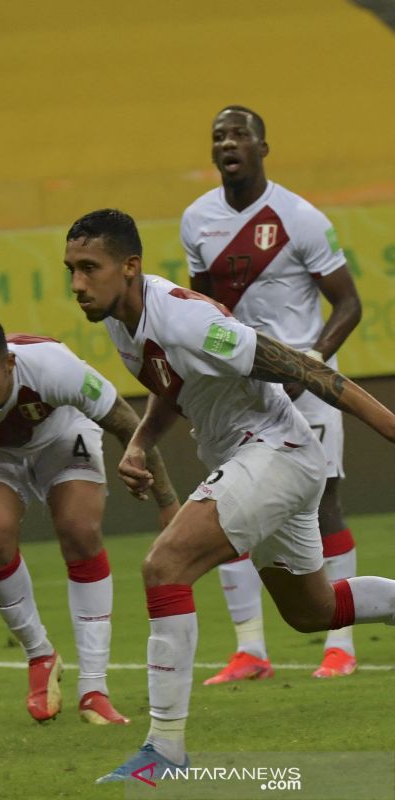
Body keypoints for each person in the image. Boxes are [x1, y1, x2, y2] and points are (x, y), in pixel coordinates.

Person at [63, 208, 395, 783]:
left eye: (89, 268)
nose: (77, 284)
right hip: (255, 458)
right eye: (71, 269)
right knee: (311, 611)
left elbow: (304, 370)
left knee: (164, 566)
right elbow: (175, 388)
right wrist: (139, 443)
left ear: (130, 267)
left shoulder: (185, 319)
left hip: (276, 453)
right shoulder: (121, 321)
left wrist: (389, 426)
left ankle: (163, 751)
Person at [0, 311, 178, 725]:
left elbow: (127, 422)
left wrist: (167, 504)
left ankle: (94, 689)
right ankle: (40, 654)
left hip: (61, 433)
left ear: (9, 364)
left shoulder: (54, 367)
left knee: (80, 528)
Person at [182, 105, 364, 682]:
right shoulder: (196, 220)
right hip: (236, 392)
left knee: (324, 504)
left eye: (240, 134)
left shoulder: (300, 218)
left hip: (303, 387)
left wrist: (310, 361)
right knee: (228, 507)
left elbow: (349, 303)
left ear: (264, 147)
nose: (228, 143)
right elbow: (200, 306)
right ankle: (251, 650)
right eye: (219, 136)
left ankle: (341, 644)